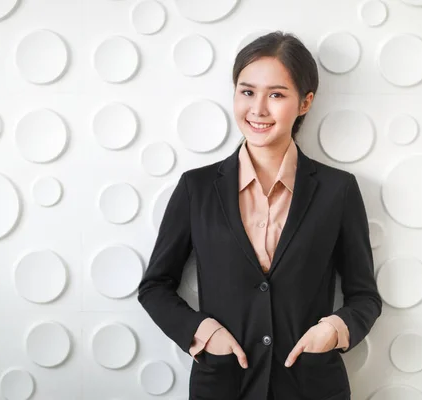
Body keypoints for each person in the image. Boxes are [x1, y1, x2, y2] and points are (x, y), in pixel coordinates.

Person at [137, 31, 382, 400]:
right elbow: (155, 286)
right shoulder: (197, 188)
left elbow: (365, 296)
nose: (258, 109)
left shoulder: (338, 190)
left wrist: (332, 330)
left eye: (277, 94)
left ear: (305, 102)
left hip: (311, 386)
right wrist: (204, 333)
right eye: (247, 91)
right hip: (223, 384)